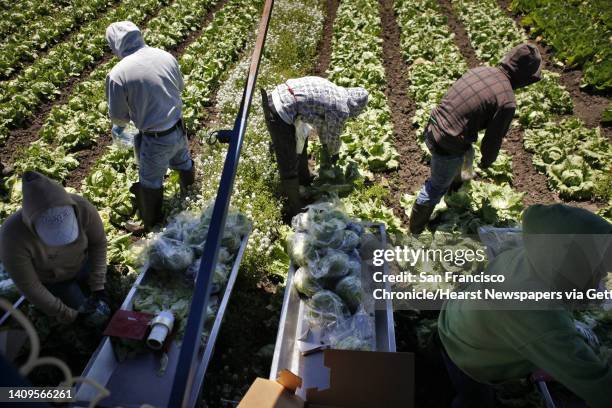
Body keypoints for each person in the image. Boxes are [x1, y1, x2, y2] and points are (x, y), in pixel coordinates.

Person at [438, 204, 612, 408]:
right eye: (598, 270)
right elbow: (596, 384)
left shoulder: (536, 257)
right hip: (469, 356)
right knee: (475, 400)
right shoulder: (539, 315)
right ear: (573, 266)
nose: (602, 276)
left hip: (457, 319)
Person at [409, 43, 542, 234]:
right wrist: (488, 162)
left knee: (466, 155)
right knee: (435, 188)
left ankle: (454, 195)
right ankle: (414, 231)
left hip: (432, 125)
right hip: (448, 141)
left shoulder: (481, 70)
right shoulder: (507, 100)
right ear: (524, 78)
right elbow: (492, 140)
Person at [105, 21, 194, 231]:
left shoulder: (118, 74)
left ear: (115, 44)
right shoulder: (165, 55)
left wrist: (134, 113)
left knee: (150, 181)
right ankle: (190, 198)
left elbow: (119, 118)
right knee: (183, 162)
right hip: (178, 126)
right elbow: (179, 86)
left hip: (155, 138)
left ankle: (150, 223)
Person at [0, 171, 110, 327]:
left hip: (83, 262)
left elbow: (98, 243)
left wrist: (98, 285)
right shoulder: (11, 237)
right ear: (32, 225)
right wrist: (66, 313)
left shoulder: (83, 208)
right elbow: (30, 287)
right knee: (85, 317)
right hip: (55, 280)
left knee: (102, 299)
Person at [261, 76, 368, 220]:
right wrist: (334, 152)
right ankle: (296, 207)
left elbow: (323, 125)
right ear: (355, 108)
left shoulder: (335, 91)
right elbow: (333, 136)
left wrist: (325, 146)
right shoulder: (341, 109)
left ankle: (304, 179)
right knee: (288, 158)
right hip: (280, 111)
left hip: (276, 96)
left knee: (302, 140)